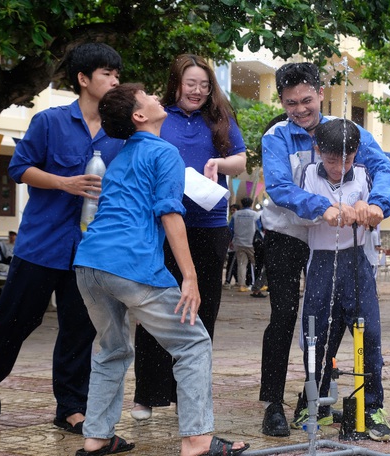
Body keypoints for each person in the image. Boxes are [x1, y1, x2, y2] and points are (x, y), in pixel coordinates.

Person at [73, 83, 248, 456]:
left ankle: (96, 439)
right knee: (194, 343)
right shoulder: (164, 152)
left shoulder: (120, 156)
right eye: (148, 96)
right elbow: (170, 213)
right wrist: (189, 275)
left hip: (89, 264)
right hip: (130, 264)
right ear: (139, 115)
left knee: (111, 350)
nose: (156, 97)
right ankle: (198, 440)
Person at [0, 43, 124, 430]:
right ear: (84, 79)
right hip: (41, 244)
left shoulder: (120, 134)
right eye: (107, 73)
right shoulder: (49, 121)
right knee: (15, 321)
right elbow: (19, 169)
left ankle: (71, 407)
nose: (115, 80)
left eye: (117, 74)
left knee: (79, 329)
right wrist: (63, 183)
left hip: (90, 251)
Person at [258, 62, 390, 438]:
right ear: (282, 101)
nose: (300, 109)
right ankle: (274, 403)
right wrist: (323, 209)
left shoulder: (349, 133)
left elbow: (382, 170)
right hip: (289, 235)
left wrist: (379, 205)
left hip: (343, 247)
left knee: (351, 324)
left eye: (306, 100)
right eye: (290, 103)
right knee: (288, 317)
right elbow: (281, 189)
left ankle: (354, 403)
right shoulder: (276, 137)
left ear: (321, 93)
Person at [129, 54, 248, 421]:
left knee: (203, 311)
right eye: (190, 83)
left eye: (204, 84)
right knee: (156, 307)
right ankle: (147, 393)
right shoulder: (159, 116)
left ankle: (189, 395)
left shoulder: (220, 120)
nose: (197, 91)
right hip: (163, 225)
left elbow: (241, 160)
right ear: (176, 83)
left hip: (210, 225)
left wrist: (218, 164)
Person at [293, 118, 390, 441]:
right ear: (319, 151)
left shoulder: (363, 176)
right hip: (320, 263)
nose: (338, 167)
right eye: (332, 160)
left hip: (355, 263)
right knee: (315, 333)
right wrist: (326, 209)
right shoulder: (308, 174)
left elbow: (375, 215)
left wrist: (368, 210)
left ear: (356, 154)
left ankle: (372, 406)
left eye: (346, 160)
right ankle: (313, 402)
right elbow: (301, 211)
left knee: (370, 333)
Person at [229, 197, 259, 292]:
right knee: (255, 264)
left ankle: (241, 285)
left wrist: (230, 241)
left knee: (241, 264)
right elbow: (260, 228)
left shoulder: (236, 215)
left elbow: (231, 229)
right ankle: (255, 284)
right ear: (251, 204)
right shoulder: (255, 215)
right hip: (252, 242)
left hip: (239, 242)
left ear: (242, 204)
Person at [224, 204, 241, 288]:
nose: (232, 211)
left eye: (234, 209)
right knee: (235, 263)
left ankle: (228, 281)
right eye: (231, 210)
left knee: (232, 263)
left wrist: (230, 240)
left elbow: (230, 230)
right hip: (242, 244)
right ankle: (238, 281)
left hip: (235, 243)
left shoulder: (234, 218)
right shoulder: (236, 218)